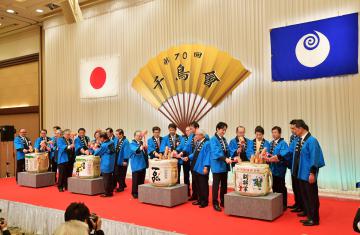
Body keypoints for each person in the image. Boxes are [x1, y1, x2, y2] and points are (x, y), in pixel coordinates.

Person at [293, 119, 325, 226]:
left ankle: (314, 219)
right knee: (305, 196)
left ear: (301, 128)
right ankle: (309, 215)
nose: (294, 131)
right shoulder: (300, 140)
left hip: (308, 174)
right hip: (301, 174)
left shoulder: (312, 140)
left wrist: (312, 173)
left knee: (312, 197)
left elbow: (314, 158)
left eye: (295, 129)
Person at [178, 121, 208, 201]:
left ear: (196, 128)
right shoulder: (192, 136)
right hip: (192, 160)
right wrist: (182, 153)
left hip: (201, 161)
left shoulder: (205, 136)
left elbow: (206, 150)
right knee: (194, 179)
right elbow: (187, 146)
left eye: (191, 129)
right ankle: (195, 195)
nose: (190, 130)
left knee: (201, 180)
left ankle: (201, 198)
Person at [266, 126, 289, 210]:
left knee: (281, 186)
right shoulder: (271, 143)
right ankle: (276, 203)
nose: (274, 134)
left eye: (275, 132)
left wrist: (275, 158)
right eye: (272, 132)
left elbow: (284, 155)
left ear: (279, 133)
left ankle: (283, 204)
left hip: (280, 168)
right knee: (274, 186)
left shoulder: (283, 143)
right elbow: (270, 154)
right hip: (272, 168)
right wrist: (268, 156)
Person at [210, 122, 231, 212]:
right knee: (216, 185)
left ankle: (223, 201)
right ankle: (215, 203)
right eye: (223, 129)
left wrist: (232, 156)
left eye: (225, 130)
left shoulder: (224, 139)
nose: (224, 131)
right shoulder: (213, 139)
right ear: (217, 129)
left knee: (224, 185)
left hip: (224, 165)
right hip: (217, 165)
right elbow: (216, 152)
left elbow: (227, 150)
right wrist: (225, 158)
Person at [189, 129, 211, 208]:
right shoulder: (198, 142)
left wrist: (206, 166)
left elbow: (208, 156)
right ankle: (199, 199)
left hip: (202, 167)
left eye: (197, 134)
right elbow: (195, 153)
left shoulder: (207, 143)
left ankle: (204, 201)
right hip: (196, 166)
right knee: (197, 184)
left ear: (202, 135)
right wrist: (188, 157)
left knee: (203, 185)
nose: (195, 136)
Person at [288, 119, 304, 212]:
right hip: (293, 164)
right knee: (295, 186)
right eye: (291, 128)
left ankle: (302, 205)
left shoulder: (301, 138)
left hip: (300, 165)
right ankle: (297, 203)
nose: (292, 130)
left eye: (293, 128)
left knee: (300, 187)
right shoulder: (292, 137)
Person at [93, 132, 116, 197]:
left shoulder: (104, 145)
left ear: (103, 138)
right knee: (110, 178)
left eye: (100, 138)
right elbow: (107, 150)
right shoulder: (111, 142)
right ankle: (110, 192)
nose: (99, 139)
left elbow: (97, 153)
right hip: (111, 162)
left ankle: (107, 193)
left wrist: (95, 148)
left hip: (105, 163)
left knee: (106, 179)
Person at [128, 130, 148, 199]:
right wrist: (142, 146)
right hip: (136, 165)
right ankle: (134, 193)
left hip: (143, 164)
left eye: (140, 136)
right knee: (135, 180)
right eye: (138, 136)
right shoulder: (131, 144)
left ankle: (141, 192)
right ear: (134, 136)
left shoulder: (142, 143)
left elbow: (144, 152)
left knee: (142, 180)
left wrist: (145, 148)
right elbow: (137, 150)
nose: (140, 137)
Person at [176, 126, 192, 195]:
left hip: (191, 159)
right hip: (185, 159)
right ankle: (186, 192)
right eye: (186, 130)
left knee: (194, 177)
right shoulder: (184, 138)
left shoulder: (193, 137)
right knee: (186, 176)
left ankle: (194, 193)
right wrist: (176, 151)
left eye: (188, 130)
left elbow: (188, 148)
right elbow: (180, 147)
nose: (187, 132)